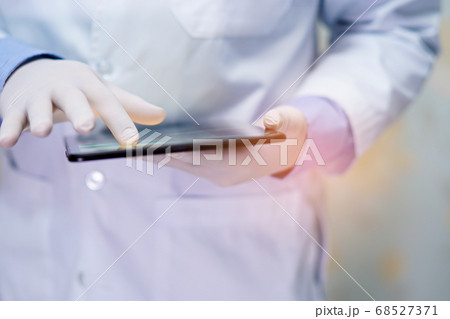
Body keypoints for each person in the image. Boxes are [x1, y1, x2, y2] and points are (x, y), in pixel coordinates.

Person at [0, 0, 440, 300]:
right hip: (25, 253)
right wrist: (12, 63)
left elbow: (392, 24)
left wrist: (312, 126)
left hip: (235, 260)